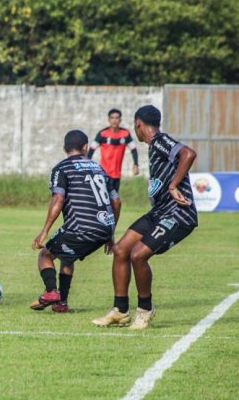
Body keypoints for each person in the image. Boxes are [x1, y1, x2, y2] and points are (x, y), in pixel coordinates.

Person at [93, 105, 197, 329]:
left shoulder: (159, 140)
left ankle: (144, 310)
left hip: (178, 214)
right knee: (120, 250)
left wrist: (173, 185)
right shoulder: (154, 145)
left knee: (138, 255)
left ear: (138, 124)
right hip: (159, 211)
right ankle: (120, 311)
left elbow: (188, 153)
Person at [31, 129, 121, 313]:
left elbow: (58, 199)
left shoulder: (62, 168)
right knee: (67, 257)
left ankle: (51, 291)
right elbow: (116, 201)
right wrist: (110, 234)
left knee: (45, 255)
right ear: (85, 147)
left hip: (81, 227)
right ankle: (61, 303)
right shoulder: (99, 168)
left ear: (64, 147)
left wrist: (44, 231)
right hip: (104, 228)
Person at [87, 108, 140, 194]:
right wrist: (87, 165)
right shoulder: (102, 134)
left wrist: (136, 164)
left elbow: (133, 149)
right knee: (107, 198)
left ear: (120, 120)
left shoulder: (125, 134)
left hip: (117, 174)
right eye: (112, 118)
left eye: (117, 118)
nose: (114, 120)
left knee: (114, 198)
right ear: (109, 120)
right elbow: (91, 150)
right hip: (104, 173)